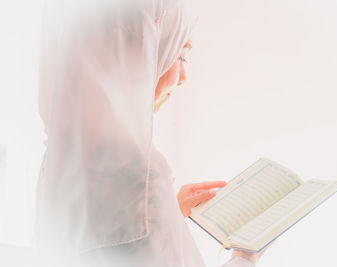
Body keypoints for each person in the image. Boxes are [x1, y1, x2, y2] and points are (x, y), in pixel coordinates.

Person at [35, 0, 267, 266]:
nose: (182, 77)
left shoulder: (59, 162)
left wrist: (167, 219)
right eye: (178, 56)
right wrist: (244, 256)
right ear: (139, 56)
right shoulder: (139, 182)